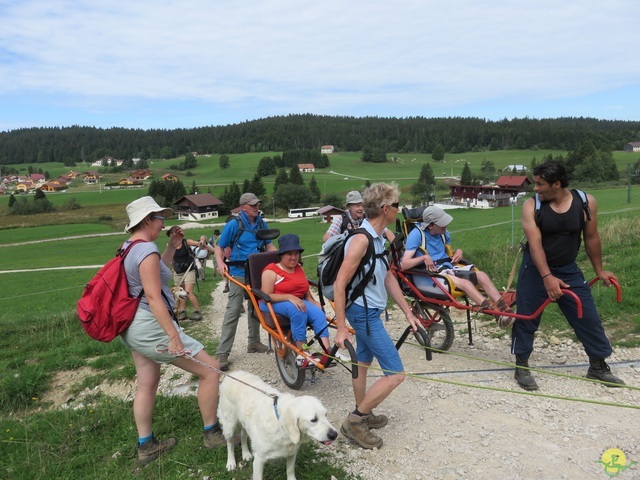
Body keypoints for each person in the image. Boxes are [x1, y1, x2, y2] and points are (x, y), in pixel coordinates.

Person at [120, 196, 225, 466]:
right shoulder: (145, 250)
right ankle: (212, 433)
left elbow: (155, 275)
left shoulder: (130, 247)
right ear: (147, 220)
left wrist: (171, 247)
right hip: (149, 326)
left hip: (132, 326)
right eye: (159, 218)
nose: (163, 222)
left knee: (147, 382)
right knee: (211, 370)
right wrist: (174, 336)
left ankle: (146, 446)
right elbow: (154, 297)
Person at [512, 160, 625, 390]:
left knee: (588, 316)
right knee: (527, 317)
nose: (535, 188)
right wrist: (547, 277)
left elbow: (591, 238)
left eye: (540, 184)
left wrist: (599, 270)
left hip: (568, 268)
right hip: (535, 270)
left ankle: (598, 366)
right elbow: (535, 245)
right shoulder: (531, 206)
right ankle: (521, 365)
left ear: (557, 183)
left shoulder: (585, 202)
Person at [333, 182, 420, 450]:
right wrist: (340, 328)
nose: (399, 209)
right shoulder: (361, 239)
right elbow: (339, 284)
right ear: (385, 208)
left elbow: (388, 276)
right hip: (363, 313)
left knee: (363, 362)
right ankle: (355, 422)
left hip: (371, 311)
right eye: (396, 205)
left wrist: (408, 312)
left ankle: (364, 412)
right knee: (395, 373)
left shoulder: (381, 237)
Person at [401, 206, 514, 328]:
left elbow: (448, 251)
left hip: (447, 267)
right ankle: (495, 313)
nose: (446, 225)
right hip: (430, 274)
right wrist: (423, 258)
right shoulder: (416, 235)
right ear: (430, 225)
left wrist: (458, 251)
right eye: (442, 223)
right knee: (465, 284)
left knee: (481, 275)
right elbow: (404, 264)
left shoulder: (443, 233)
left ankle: (505, 309)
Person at [214, 193, 276, 371]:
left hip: (257, 271)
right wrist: (220, 264)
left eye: (257, 204)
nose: (257, 207)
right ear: (243, 208)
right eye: (253, 205)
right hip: (238, 272)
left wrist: (280, 262)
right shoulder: (234, 224)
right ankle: (222, 353)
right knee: (233, 310)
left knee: (255, 307)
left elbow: (269, 245)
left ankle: (254, 342)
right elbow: (219, 247)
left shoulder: (261, 223)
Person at [259, 233, 331, 366]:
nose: (294, 257)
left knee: (318, 313)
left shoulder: (298, 268)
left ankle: (328, 351)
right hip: (270, 302)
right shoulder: (271, 271)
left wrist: (312, 300)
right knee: (297, 310)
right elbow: (267, 295)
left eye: (296, 253)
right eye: (289, 254)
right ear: (281, 255)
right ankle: (302, 354)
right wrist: (289, 296)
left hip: (295, 301)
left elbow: (304, 288)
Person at [167, 226, 214, 321]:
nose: (178, 233)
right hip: (178, 271)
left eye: (179, 231)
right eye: (175, 232)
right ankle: (182, 312)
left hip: (189, 270)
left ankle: (197, 312)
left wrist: (201, 242)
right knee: (180, 293)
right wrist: (173, 269)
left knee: (188, 292)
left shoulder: (186, 242)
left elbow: (198, 244)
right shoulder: (170, 245)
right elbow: (171, 257)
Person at [322, 190, 395, 244]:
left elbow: (386, 231)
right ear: (348, 207)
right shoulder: (341, 219)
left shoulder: (368, 218)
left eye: (361, 205)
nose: (361, 208)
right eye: (357, 206)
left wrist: (396, 246)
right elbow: (326, 238)